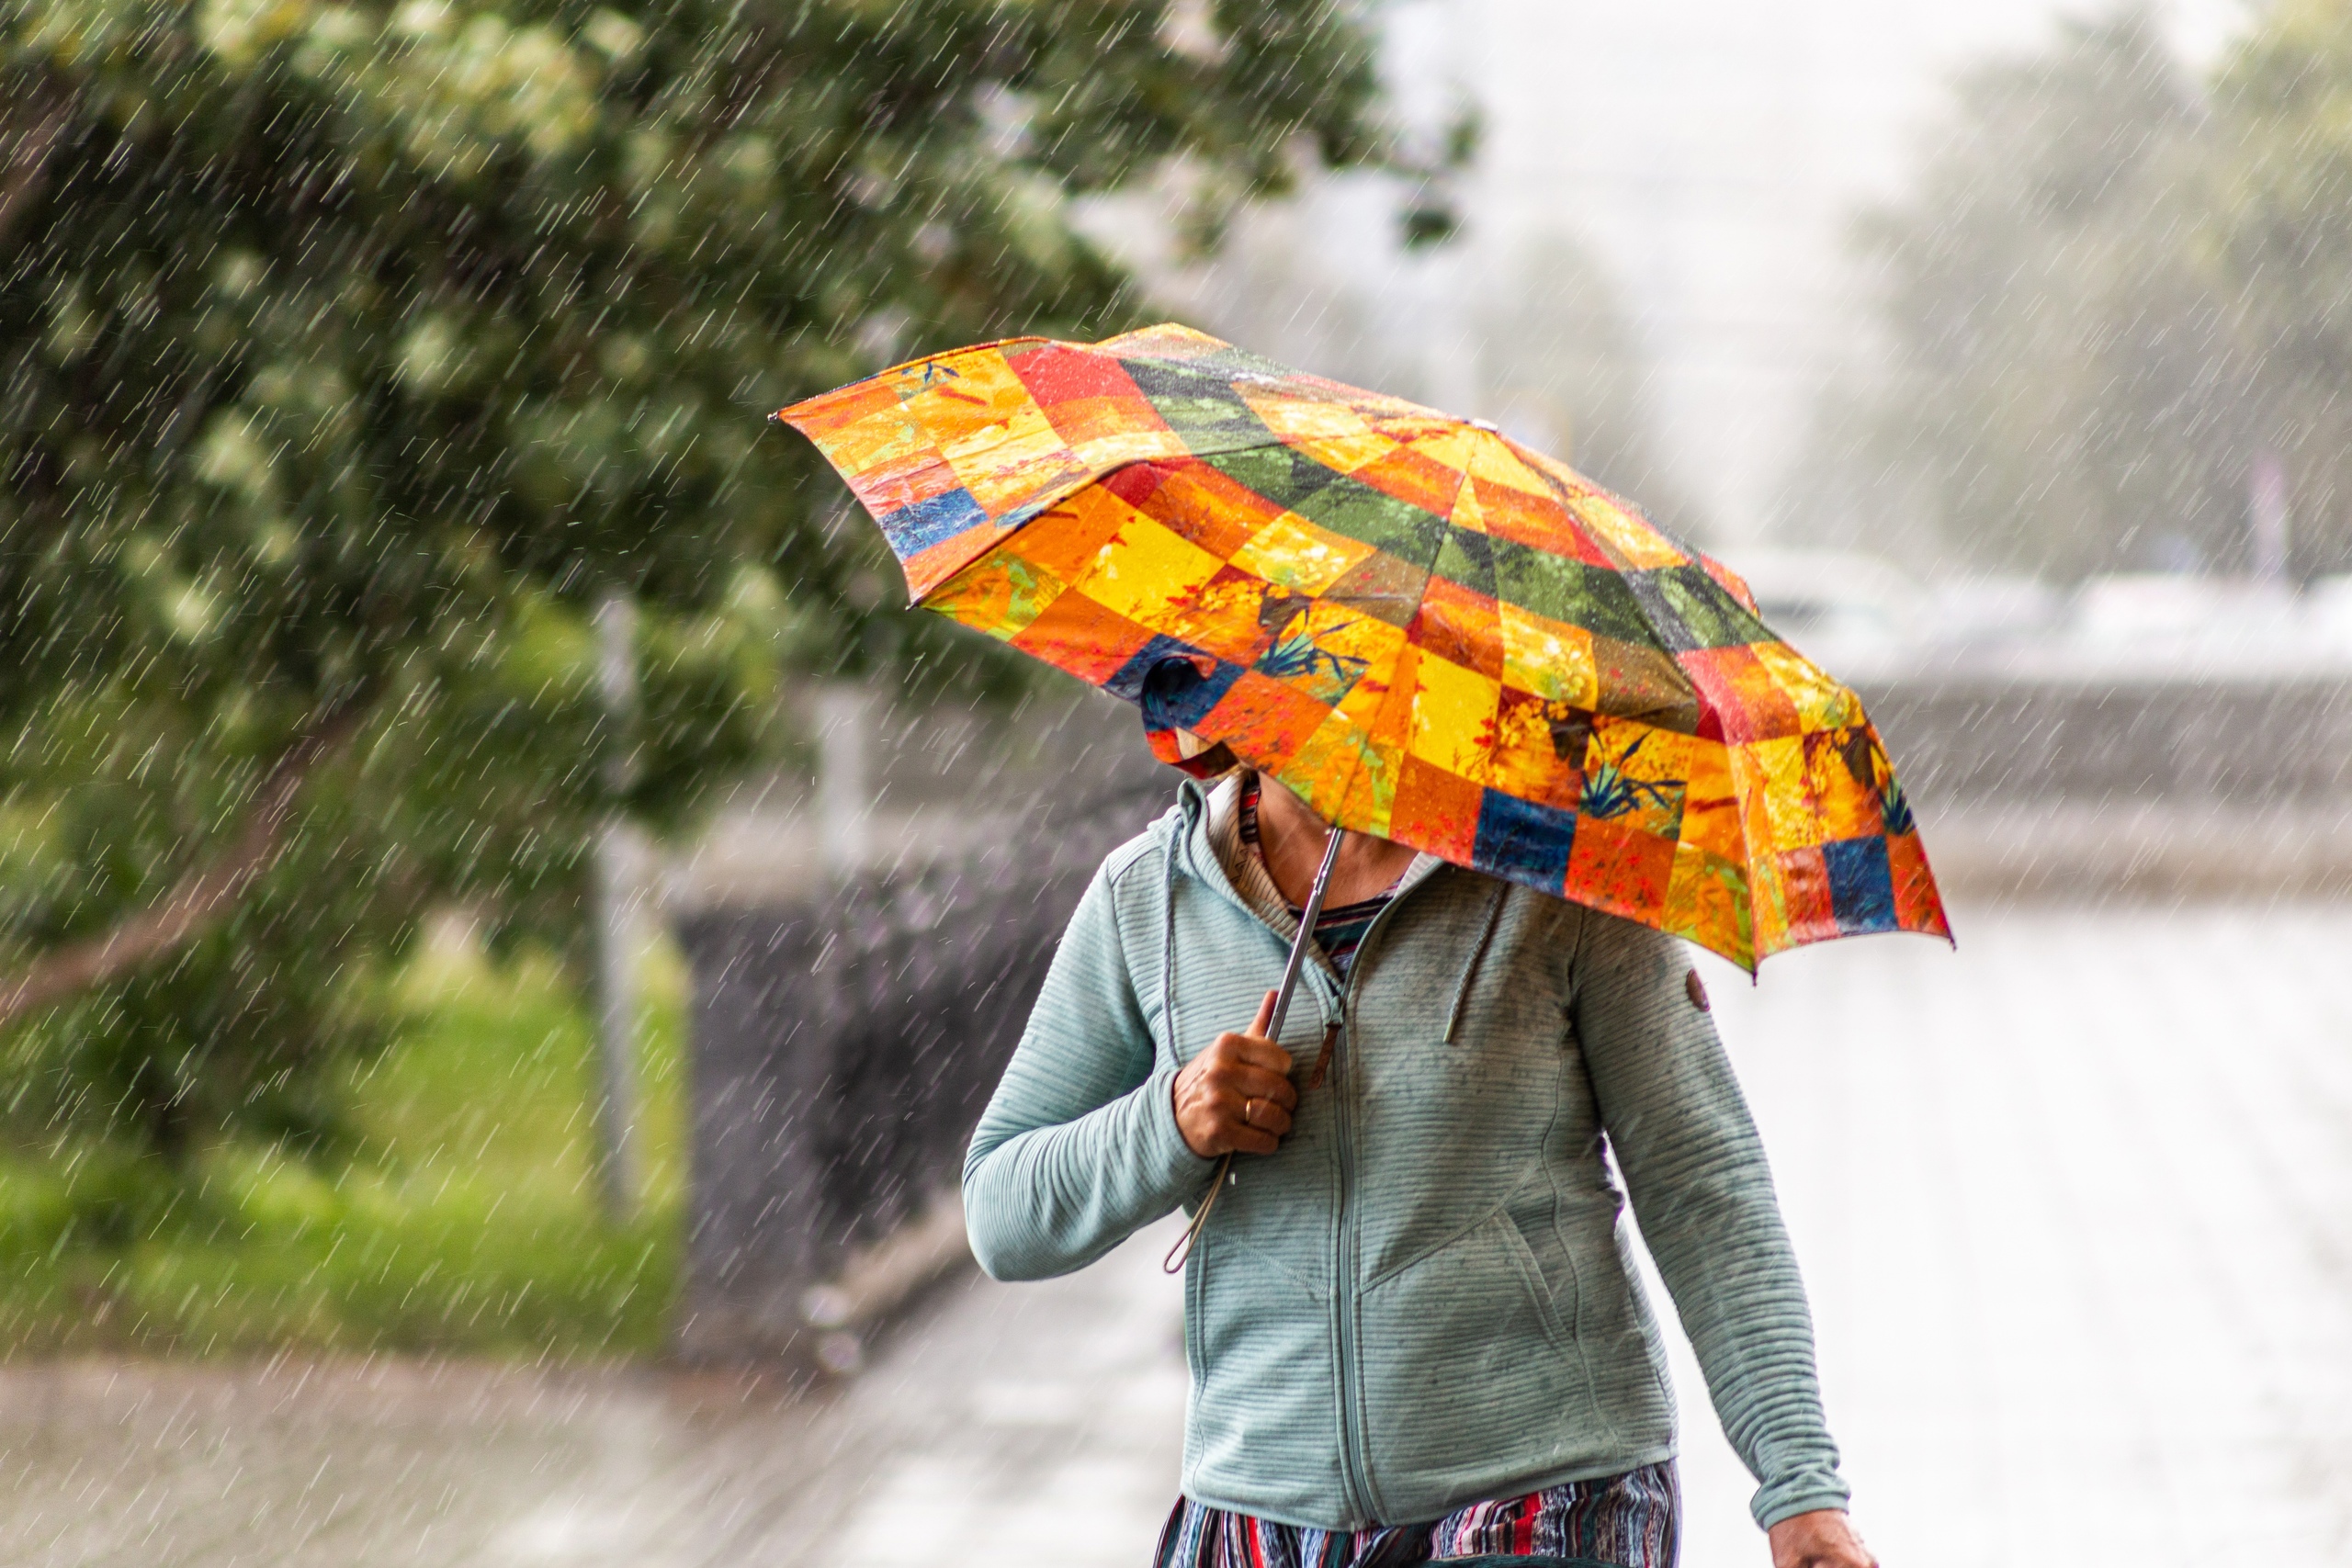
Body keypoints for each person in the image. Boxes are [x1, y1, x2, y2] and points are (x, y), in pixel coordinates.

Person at [963, 765, 1879, 1568]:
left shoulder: (1564, 878)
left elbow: (1702, 1187)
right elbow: (1001, 1210)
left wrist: (1797, 1481)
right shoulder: (1144, 897)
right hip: (1256, 1500)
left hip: (1544, 1495)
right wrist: (1169, 1120)